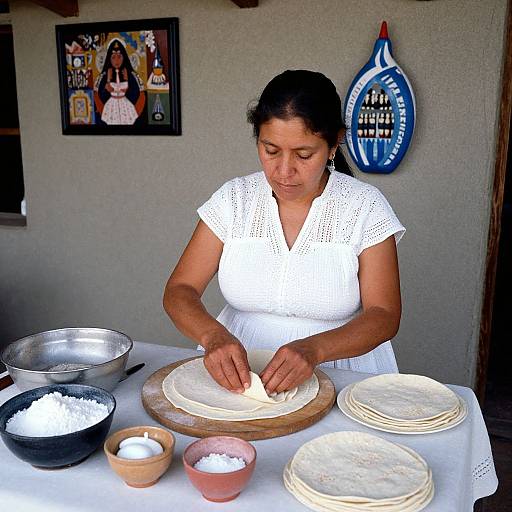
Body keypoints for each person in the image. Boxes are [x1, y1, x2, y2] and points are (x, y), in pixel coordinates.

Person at [163, 70, 405, 397]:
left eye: (304, 155)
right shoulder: (234, 200)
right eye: (270, 150)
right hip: (239, 372)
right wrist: (212, 337)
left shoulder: (364, 207)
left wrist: (315, 350)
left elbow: (384, 315)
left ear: (334, 143)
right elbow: (180, 288)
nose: (284, 170)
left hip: (341, 370)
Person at [94, 38, 145, 125]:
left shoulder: (132, 75)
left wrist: (127, 85)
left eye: (119, 57)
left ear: (124, 57)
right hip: (110, 107)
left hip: (126, 106)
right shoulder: (103, 76)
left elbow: (138, 93)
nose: (116, 61)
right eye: (113, 57)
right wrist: (108, 82)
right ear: (109, 59)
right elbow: (98, 94)